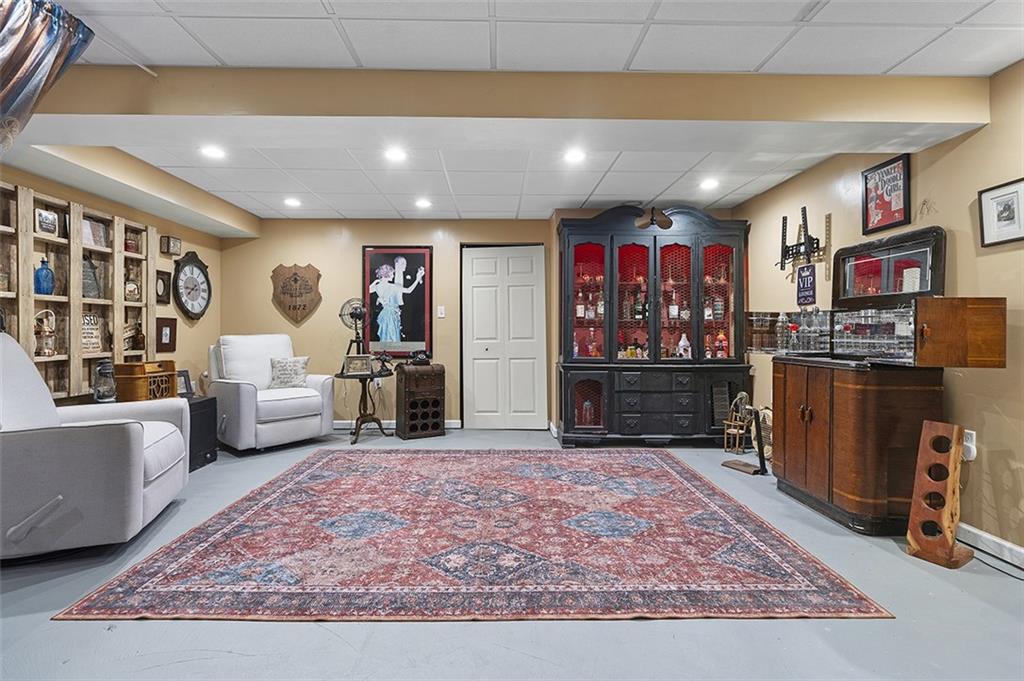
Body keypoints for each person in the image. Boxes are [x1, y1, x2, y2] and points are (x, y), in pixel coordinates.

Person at [370, 256, 425, 343]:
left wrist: (375, 282)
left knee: (385, 335)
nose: (393, 275)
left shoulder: (377, 286)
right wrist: (417, 279)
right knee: (392, 336)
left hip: (385, 314)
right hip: (391, 315)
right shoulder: (392, 287)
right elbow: (409, 290)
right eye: (392, 273)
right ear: (387, 274)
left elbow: (368, 290)